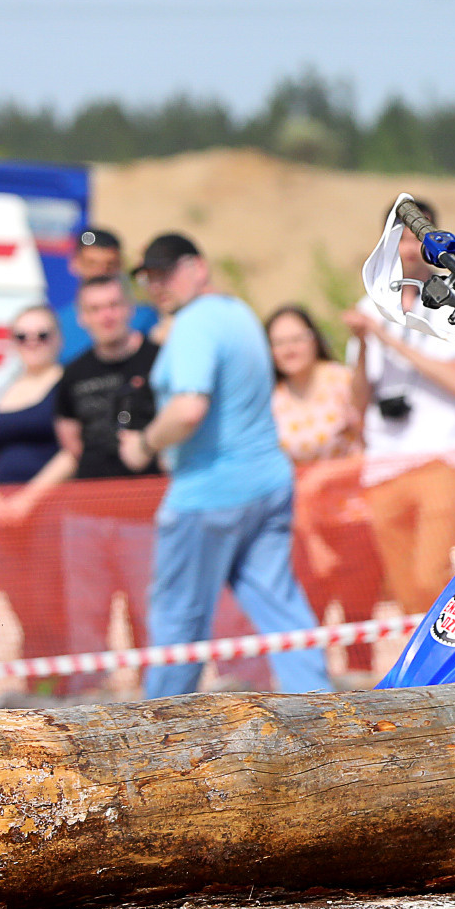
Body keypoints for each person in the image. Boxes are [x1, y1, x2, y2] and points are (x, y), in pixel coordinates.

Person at [125, 232, 328, 699]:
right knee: (283, 612)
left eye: (166, 272)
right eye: (149, 278)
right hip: (269, 484)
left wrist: (143, 445)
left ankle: (160, 732)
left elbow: (188, 408)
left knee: (178, 620)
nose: (158, 285)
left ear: (198, 266)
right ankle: (324, 711)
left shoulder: (194, 324)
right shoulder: (238, 314)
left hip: (207, 495)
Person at [343, 202, 455, 618]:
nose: (406, 249)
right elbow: (358, 403)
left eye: (414, 238)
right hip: (384, 461)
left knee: (431, 574)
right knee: (404, 589)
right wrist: (366, 344)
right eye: (399, 239)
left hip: (442, 456)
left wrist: (389, 338)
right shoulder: (370, 309)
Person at [53, 274, 162, 686]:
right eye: (96, 308)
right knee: (86, 617)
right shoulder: (73, 373)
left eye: (114, 305)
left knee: (150, 615)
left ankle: (162, 707)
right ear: (82, 318)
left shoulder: (159, 360)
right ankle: (87, 709)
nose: (107, 315)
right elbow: (70, 438)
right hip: (85, 517)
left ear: (130, 308)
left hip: (146, 515)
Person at [268, 304, 382, 672]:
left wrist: (324, 477)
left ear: (313, 339)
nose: (289, 348)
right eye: (279, 342)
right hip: (299, 527)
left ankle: (366, 701)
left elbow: (371, 443)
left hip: (352, 519)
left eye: (297, 338)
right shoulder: (272, 398)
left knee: (357, 619)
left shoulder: (337, 379)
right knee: (305, 617)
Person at [0, 303, 76, 686]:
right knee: (21, 606)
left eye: (42, 335)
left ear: (57, 340)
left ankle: (59, 694)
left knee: (51, 607)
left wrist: (27, 500)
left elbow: (71, 451)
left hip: (48, 516)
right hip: (4, 520)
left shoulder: (67, 386)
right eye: (23, 336)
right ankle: (36, 692)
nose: (33, 343)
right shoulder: (2, 391)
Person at [57, 227, 160, 361]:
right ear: (74, 263)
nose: (100, 272)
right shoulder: (57, 325)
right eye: (91, 264)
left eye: (109, 265)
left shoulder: (146, 319)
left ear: (120, 265)